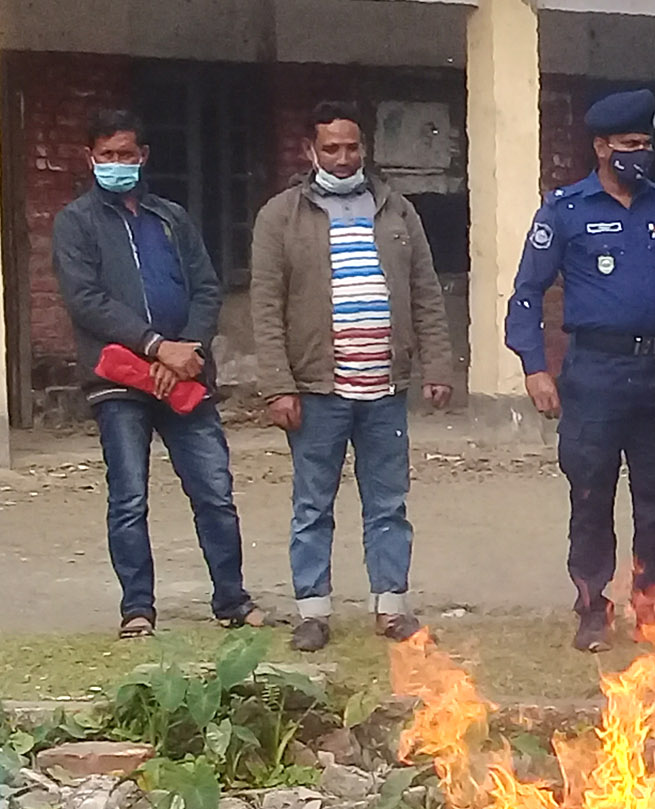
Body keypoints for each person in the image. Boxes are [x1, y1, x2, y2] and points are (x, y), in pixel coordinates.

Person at [506, 89, 655, 653]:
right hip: (595, 374)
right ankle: (591, 609)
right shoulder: (566, 209)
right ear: (602, 146)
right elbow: (527, 294)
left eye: (647, 144)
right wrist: (536, 367)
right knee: (592, 496)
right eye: (630, 145)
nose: (641, 154)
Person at [252, 100, 455, 653]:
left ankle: (391, 606)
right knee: (313, 505)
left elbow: (425, 294)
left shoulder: (397, 212)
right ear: (309, 151)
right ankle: (313, 612)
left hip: (385, 389)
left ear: (365, 148)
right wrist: (278, 385)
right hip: (317, 390)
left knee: (388, 501)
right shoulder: (280, 217)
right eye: (331, 148)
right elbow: (266, 308)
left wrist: (437, 364)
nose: (343, 159)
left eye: (352, 147)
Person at [53, 109, 263, 638]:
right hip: (118, 380)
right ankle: (138, 609)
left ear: (143, 156)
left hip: (186, 375)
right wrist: (154, 348)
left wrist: (185, 348)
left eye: (126, 154)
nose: (117, 164)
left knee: (213, 489)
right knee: (129, 495)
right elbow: (86, 300)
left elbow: (206, 287)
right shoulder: (75, 222)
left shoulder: (170, 218)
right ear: (90, 158)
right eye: (107, 156)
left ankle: (232, 601)